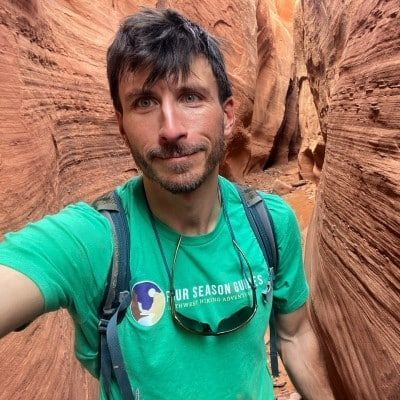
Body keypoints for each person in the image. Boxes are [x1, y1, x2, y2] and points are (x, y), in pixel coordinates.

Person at [0, 8, 334, 400]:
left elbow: (294, 334)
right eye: (144, 102)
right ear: (121, 124)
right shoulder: (96, 241)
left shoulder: (271, 224)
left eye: (190, 96)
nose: (171, 128)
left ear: (228, 116)